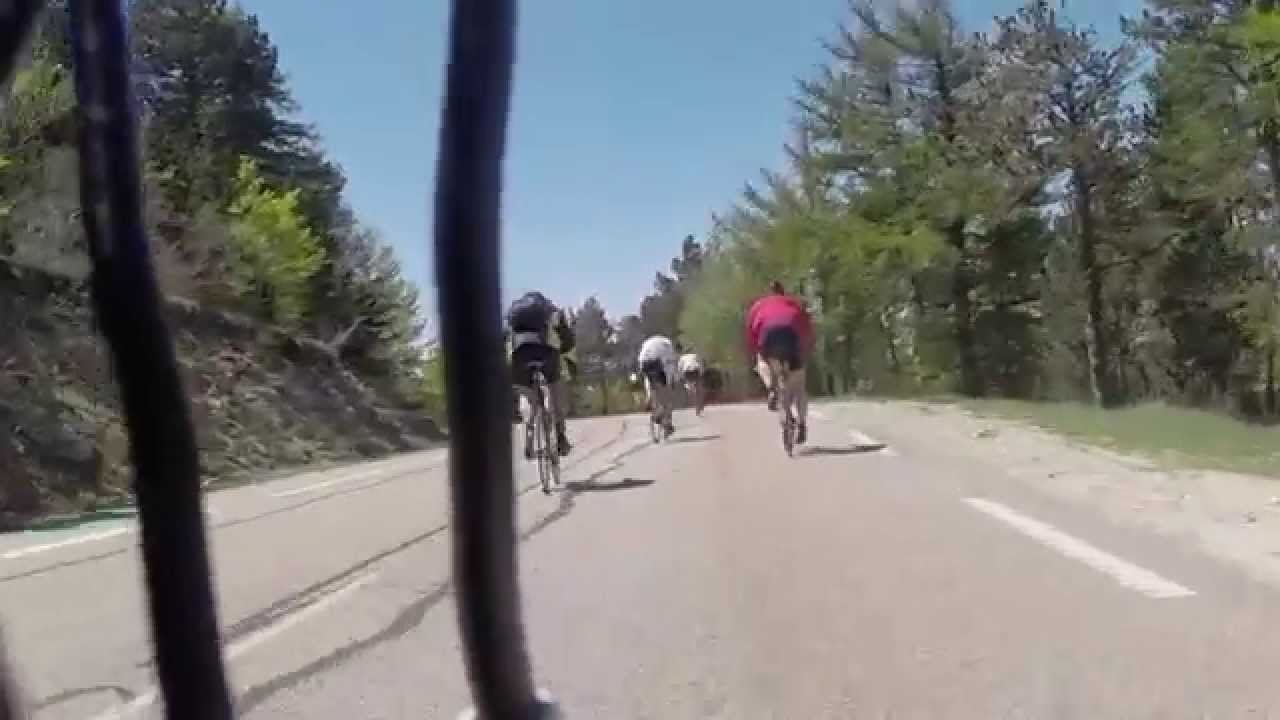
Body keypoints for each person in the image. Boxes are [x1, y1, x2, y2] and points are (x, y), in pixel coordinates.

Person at [506, 291, 577, 457]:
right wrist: (565, 352)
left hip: (518, 356)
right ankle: (560, 438)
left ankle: (530, 440)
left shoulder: (513, 313)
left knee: (530, 399)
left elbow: (503, 337)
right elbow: (567, 338)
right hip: (545, 353)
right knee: (555, 391)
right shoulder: (550, 310)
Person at [745, 280, 815, 445]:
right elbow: (807, 328)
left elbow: (750, 333)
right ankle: (802, 423)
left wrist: (754, 352)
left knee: (761, 360)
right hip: (791, 337)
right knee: (798, 387)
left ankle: (771, 387)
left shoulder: (758, 306)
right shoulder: (793, 303)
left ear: (769, 293)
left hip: (768, 338)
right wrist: (805, 351)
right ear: (782, 292)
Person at [637, 334, 678, 438]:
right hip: (657, 362)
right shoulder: (668, 344)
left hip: (643, 362)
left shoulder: (649, 342)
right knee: (667, 395)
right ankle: (667, 422)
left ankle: (651, 402)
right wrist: (672, 383)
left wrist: (649, 393)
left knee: (652, 384)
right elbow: (670, 367)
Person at [677, 349, 706, 415]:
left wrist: (681, 378)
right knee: (699, 388)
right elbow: (701, 364)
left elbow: (679, 369)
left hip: (687, 371)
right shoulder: (695, 355)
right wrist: (701, 373)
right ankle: (700, 404)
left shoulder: (682, 357)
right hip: (696, 370)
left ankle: (690, 390)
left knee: (691, 388)